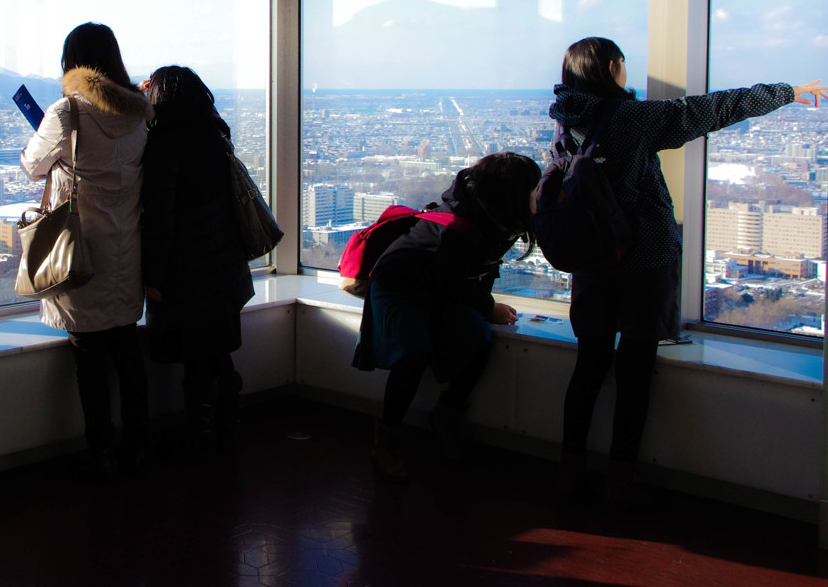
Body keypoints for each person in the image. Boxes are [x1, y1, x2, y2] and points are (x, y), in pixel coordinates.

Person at [552, 36, 827, 505]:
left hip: (592, 262)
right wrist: (786, 92)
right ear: (615, 67)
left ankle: (569, 471)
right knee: (635, 372)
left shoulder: (563, 120)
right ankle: (621, 479)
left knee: (589, 366)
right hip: (643, 261)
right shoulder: (631, 120)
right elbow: (707, 110)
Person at [353, 151, 542, 481]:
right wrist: (488, 307)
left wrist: (484, 306)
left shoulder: (492, 216)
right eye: (532, 188)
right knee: (412, 354)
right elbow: (452, 281)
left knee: (480, 339)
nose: (536, 194)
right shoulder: (462, 224)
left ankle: (447, 414)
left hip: (433, 285)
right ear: (511, 193)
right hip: (399, 284)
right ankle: (388, 443)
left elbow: (461, 277)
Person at [21, 22, 153, 479]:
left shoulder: (66, 113)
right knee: (127, 351)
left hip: (79, 252)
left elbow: (32, 166)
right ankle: (139, 444)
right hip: (127, 250)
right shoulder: (140, 114)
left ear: (71, 63)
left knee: (89, 357)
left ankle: (102, 451)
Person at [141, 66, 254, 457]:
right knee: (218, 354)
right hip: (224, 267)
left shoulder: (163, 145)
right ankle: (228, 430)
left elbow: (160, 219)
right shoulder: (215, 134)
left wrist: (152, 275)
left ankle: (201, 440)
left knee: (196, 365)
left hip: (187, 272)